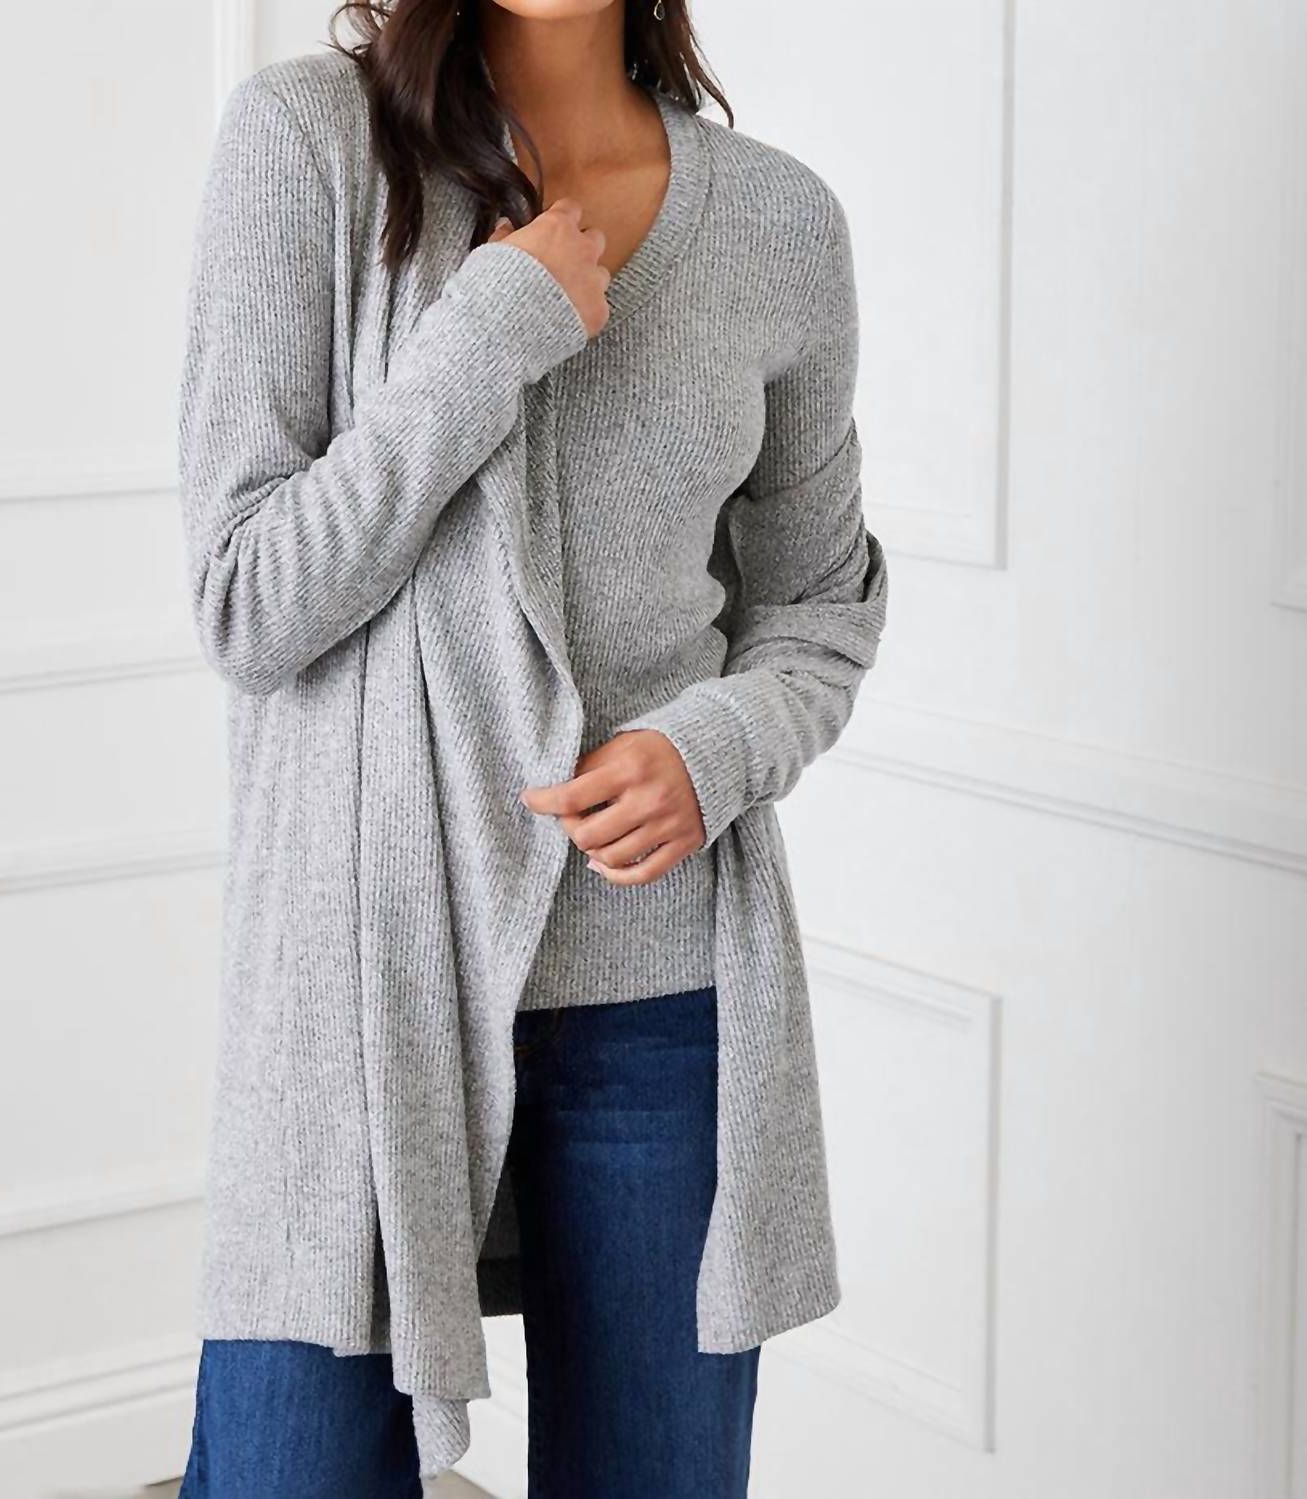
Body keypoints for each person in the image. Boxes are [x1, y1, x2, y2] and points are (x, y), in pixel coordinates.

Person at [173, 0, 889, 1494]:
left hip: (657, 987)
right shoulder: (309, 143)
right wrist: (489, 334)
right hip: (366, 978)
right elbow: (249, 602)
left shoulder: (779, 223)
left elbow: (817, 607)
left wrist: (718, 745)